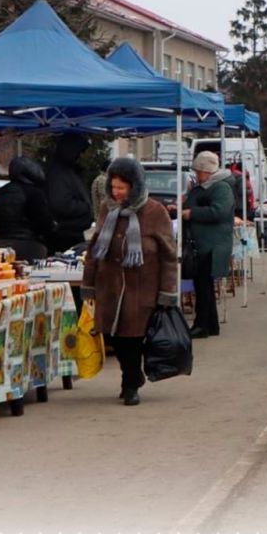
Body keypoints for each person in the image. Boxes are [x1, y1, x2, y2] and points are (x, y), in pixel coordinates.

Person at [82, 158, 177, 406]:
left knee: (133, 338)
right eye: (113, 187)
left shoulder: (156, 212)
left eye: (122, 188)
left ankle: (131, 384)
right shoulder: (107, 208)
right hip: (110, 287)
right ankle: (132, 377)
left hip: (142, 289)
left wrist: (168, 292)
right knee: (116, 339)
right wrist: (89, 284)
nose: (116, 193)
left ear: (134, 186)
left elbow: (168, 255)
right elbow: (95, 247)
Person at [182, 151, 234, 338]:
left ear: (207, 171)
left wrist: (192, 213)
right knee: (203, 286)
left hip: (213, 245)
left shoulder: (221, 188)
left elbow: (218, 212)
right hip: (204, 245)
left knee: (204, 286)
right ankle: (209, 325)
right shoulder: (202, 188)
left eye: (199, 171)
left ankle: (202, 325)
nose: (196, 175)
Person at [0, 156, 57, 261]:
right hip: (31, 247)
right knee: (31, 275)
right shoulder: (34, 193)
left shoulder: (2, 192)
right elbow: (43, 222)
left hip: (4, 245)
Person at [45, 132, 93, 252]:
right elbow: (61, 203)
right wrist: (85, 207)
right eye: (80, 152)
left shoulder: (67, 170)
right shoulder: (59, 173)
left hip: (70, 233)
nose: (81, 156)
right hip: (64, 236)